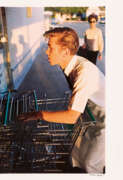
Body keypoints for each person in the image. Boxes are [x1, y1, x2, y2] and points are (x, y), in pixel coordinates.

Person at [18, 27, 105, 173]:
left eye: (50, 48)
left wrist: (38, 114)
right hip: (91, 115)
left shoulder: (84, 72)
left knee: (91, 164)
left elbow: (71, 117)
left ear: (65, 52)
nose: (46, 52)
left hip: (105, 122)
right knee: (76, 153)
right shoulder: (72, 64)